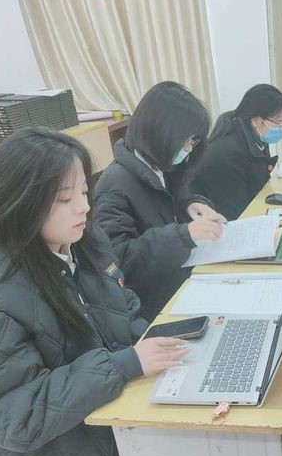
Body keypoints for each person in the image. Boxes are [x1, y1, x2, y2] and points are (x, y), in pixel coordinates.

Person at [0, 129, 189, 456]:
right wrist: (122, 365)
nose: (83, 207)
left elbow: (122, 310)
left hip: (85, 417)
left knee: (197, 448)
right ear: (21, 202)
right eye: (65, 198)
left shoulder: (82, 244)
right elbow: (13, 418)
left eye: (85, 191)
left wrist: (165, 341)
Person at [93, 82, 226, 321]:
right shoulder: (114, 186)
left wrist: (191, 204)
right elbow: (120, 263)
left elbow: (172, 204)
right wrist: (183, 236)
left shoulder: (164, 165)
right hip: (152, 307)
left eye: (194, 141)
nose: (189, 148)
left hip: (180, 281)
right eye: (185, 140)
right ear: (160, 131)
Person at [189, 83, 282, 221]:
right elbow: (235, 215)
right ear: (256, 121)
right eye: (279, 121)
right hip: (215, 225)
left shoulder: (256, 137)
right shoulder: (226, 155)